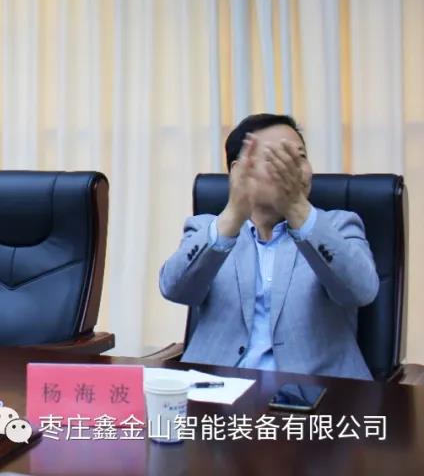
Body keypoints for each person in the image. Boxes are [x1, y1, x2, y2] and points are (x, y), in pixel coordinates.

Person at [159, 113, 380, 379]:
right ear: (239, 172)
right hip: (217, 388)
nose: (293, 169)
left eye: (299, 157)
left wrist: (297, 208)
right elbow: (174, 289)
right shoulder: (207, 230)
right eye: (276, 159)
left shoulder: (338, 226)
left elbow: (361, 291)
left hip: (317, 391)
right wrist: (232, 215)